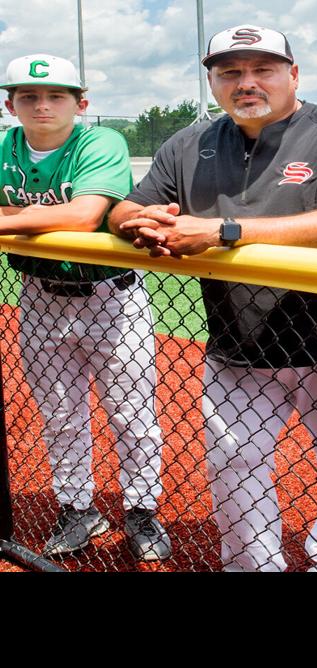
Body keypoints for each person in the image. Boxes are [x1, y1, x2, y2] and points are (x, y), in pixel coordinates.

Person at [107, 25, 317, 572]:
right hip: (238, 339)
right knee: (232, 463)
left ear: (293, 74)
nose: (246, 82)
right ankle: (252, 564)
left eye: (262, 68)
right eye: (230, 72)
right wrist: (135, 222)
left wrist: (226, 231)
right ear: (214, 82)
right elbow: (127, 206)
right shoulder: (189, 143)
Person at [0, 54, 170, 560]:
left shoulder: (99, 141)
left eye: (57, 95)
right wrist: (34, 218)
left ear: (81, 103)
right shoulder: (4, 146)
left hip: (110, 298)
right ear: (10, 104)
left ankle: (141, 509)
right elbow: (65, 216)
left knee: (132, 414)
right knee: (60, 415)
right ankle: (78, 508)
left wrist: (12, 216)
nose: (42, 105)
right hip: (38, 296)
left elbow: (84, 216)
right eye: (28, 96)